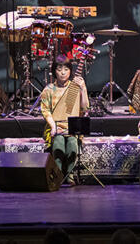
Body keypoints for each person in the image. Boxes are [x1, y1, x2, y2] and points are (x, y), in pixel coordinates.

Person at [40, 54, 89, 182]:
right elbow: (45, 110)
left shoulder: (75, 88)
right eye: (59, 69)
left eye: (66, 69)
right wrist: (53, 127)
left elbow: (84, 109)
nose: (63, 73)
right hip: (55, 127)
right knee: (58, 144)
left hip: (72, 128)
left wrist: (83, 89)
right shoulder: (49, 90)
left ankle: (70, 175)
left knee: (72, 144)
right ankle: (58, 174)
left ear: (71, 71)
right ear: (54, 71)